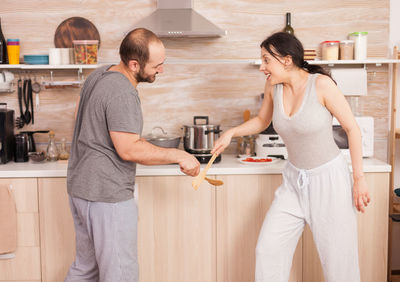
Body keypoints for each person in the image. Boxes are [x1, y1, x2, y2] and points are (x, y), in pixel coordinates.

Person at [211, 32, 371, 282]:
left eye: (266, 60)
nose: (262, 67)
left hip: (329, 181)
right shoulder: (273, 86)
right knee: (268, 250)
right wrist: (231, 132)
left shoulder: (321, 85)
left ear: (286, 60)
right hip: (293, 181)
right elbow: (263, 120)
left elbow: (352, 129)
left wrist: (359, 178)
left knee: (339, 262)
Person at [65, 28, 200, 282]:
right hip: (107, 196)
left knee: (85, 270)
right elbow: (128, 149)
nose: (161, 70)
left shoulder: (99, 74)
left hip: (81, 189)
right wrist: (179, 155)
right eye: (157, 65)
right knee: (120, 273)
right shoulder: (123, 92)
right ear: (134, 64)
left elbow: (78, 117)